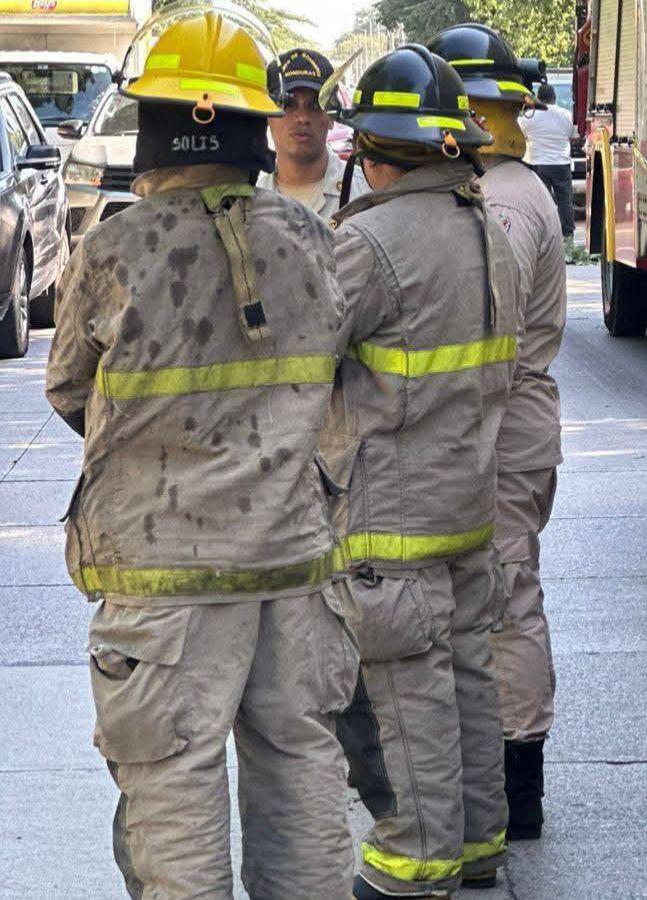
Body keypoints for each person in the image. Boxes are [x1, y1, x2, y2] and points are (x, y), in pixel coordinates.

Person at [44, 6, 359, 898]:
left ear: (153, 126)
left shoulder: (112, 248)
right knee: (302, 772)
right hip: (294, 567)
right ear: (256, 125)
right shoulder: (313, 240)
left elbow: (68, 390)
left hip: (162, 585)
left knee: (174, 788)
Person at [327, 45, 521, 899]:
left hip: (391, 520)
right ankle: (478, 844)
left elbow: (302, 355)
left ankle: (412, 863)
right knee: (468, 674)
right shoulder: (487, 231)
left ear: (373, 150)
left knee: (409, 696)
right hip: (466, 508)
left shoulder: (369, 243)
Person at [430, 22, 567, 844]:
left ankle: (519, 781)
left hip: (500, 424)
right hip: (502, 422)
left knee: (507, 595)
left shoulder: (503, 202)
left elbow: (489, 333)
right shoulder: (498, 188)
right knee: (496, 592)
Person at [258, 47, 367, 218]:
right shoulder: (249, 204)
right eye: (288, 104)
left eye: (315, 105)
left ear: (331, 116)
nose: (302, 117)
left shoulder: (366, 194)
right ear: (267, 115)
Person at [519, 82, 576, 241]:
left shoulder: (528, 117)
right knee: (565, 202)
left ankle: (544, 236)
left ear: (538, 98)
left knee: (541, 202)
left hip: (538, 164)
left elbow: (522, 135)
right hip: (561, 164)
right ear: (554, 97)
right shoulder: (566, 115)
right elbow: (573, 135)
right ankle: (567, 236)